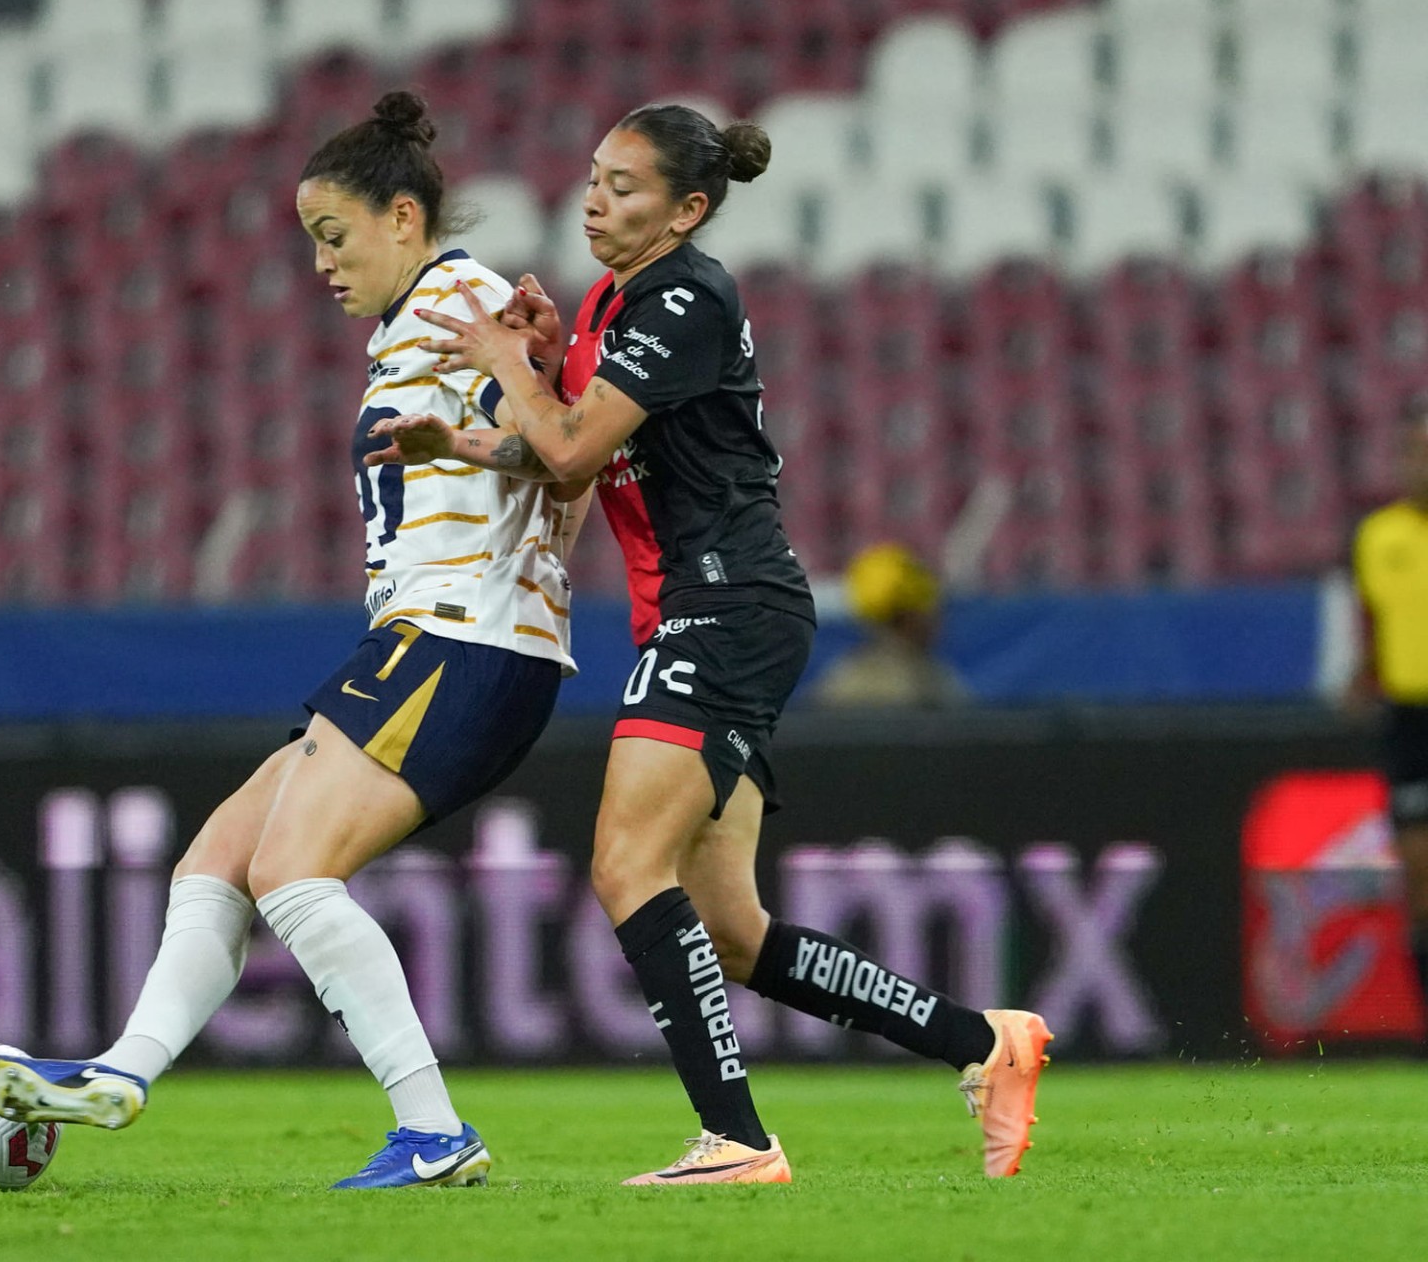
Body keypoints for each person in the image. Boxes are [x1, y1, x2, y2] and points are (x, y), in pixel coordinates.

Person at [377, 103, 1050, 1184]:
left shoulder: (685, 297)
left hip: (726, 606)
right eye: (593, 178)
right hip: (710, 612)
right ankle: (984, 1043)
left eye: (625, 187)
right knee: (735, 931)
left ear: (687, 209)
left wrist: (508, 361)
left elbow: (573, 445)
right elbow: (564, 453)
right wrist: (473, 428)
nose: (595, 201)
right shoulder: (614, 302)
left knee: (624, 863)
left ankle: (736, 1139)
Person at [0, 92, 591, 1189]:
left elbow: (569, 452)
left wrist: (518, 397)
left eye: (334, 235)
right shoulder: (419, 322)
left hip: (465, 636)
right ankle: (123, 1070)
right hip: (435, 635)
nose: (320, 264)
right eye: (312, 241)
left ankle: (434, 1130)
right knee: (218, 857)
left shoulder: (467, 302)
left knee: (294, 873)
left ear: (405, 217)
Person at [1350, 414, 1428, 1031]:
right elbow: (1371, 617)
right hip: (1411, 720)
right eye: (1414, 453)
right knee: (1419, 871)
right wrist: (1363, 672)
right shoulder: (1379, 535)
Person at [812, 542, 970, 709]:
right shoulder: (929, 684)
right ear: (911, 617)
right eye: (931, 607)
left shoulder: (843, 678)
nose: (940, 618)